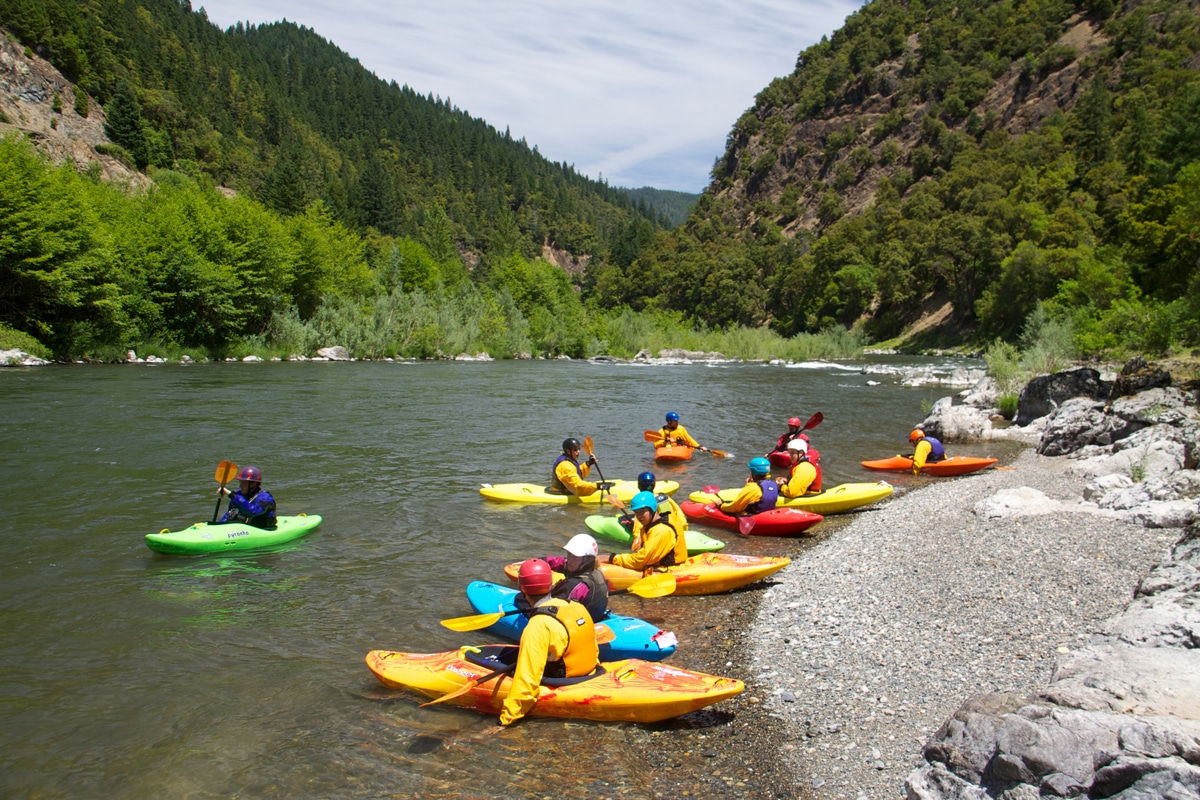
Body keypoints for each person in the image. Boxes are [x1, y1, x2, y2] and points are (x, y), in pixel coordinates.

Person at [498, 559, 600, 727]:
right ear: (551, 584)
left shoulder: (537, 626)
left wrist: (506, 720)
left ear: (522, 588)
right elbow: (592, 647)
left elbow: (526, 681)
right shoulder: (575, 606)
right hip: (591, 672)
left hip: (565, 681)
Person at [518, 534, 609, 622]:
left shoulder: (574, 586)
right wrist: (537, 562)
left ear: (587, 559)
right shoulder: (594, 571)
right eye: (569, 554)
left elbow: (551, 610)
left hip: (577, 625)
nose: (570, 559)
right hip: (593, 618)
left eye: (574, 556)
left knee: (521, 598)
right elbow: (561, 562)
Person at [601, 491, 688, 572]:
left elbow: (641, 560)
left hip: (670, 570)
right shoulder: (652, 524)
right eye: (636, 512)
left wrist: (612, 558)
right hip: (658, 564)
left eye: (642, 512)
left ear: (653, 509)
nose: (639, 516)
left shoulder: (661, 530)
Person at [622, 471, 687, 550]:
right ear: (654, 485)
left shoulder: (643, 503)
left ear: (639, 485)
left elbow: (638, 528)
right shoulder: (665, 498)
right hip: (675, 530)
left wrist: (638, 540)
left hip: (658, 533)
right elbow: (681, 519)